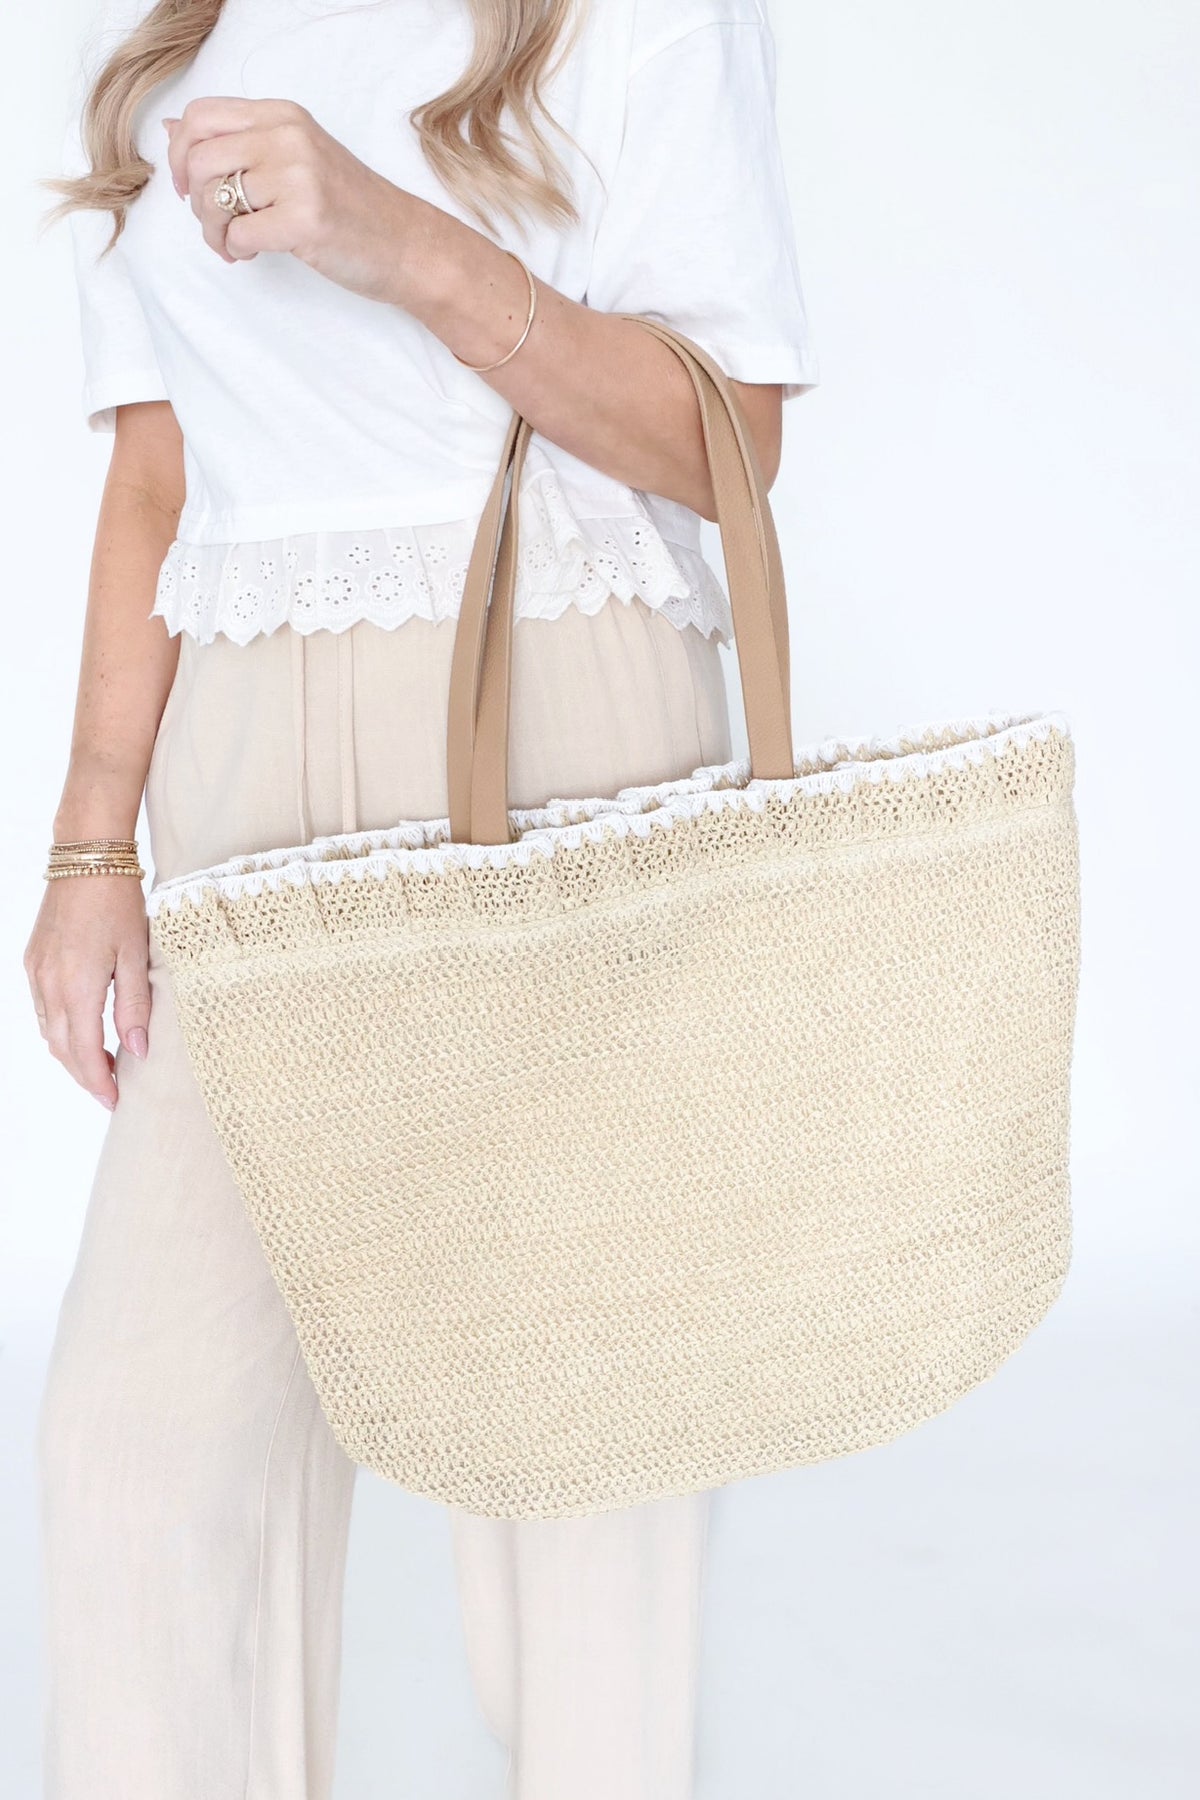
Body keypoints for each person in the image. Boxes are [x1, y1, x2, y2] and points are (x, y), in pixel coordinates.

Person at [24, 0, 818, 1794]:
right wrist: (91, 839)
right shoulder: (173, 40)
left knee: (574, 1444)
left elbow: (733, 445)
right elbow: (156, 468)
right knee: (139, 1447)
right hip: (242, 758)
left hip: (553, 711)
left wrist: (398, 243)